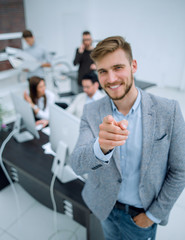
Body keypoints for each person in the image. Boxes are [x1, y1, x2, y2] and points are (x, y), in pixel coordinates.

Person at [70, 36, 185, 240]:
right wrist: (100, 147)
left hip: (141, 215)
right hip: (105, 208)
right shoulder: (91, 111)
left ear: (133, 66)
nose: (111, 78)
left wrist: (152, 215)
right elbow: (77, 164)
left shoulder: (169, 111)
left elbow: (180, 170)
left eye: (118, 67)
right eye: (103, 71)